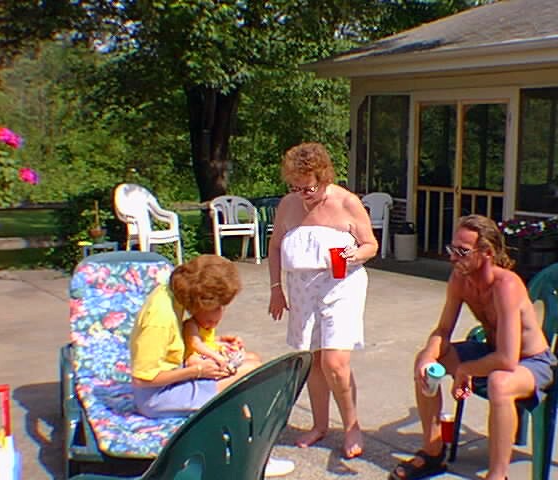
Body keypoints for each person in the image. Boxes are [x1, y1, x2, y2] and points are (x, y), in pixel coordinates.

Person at [389, 214, 556, 480]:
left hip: (532, 362)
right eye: (451, 249)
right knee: (428, 362)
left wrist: (466, 369)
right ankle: (432, 452)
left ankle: (497, 474)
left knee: (500, 382)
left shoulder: (506, 285)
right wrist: (427, 357)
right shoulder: (460, 279)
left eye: (462, 251)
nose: (453, 258)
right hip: (490, 352)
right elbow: (443, 330)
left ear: (486, 252)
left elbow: (508, 359)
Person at [130, 254, 294, 477]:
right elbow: (143, 378)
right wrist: (198, 371)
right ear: (201, 301)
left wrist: (215, 343)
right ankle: (248, 456)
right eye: (218, 306)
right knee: (249, 375)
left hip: (170, 377)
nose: (220, 312)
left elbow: (178, 342)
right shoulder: (159, 319)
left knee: (251, 359)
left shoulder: (171, 295)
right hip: (156, 396)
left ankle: (240, 443)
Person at [268, 142, 378, 459]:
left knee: (335, 363)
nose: (303, 194)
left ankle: (352, 425)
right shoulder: (288, 205)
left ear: (324, 175)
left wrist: (354, 254)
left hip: (342, 284)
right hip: (301, 287)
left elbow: (371, 245)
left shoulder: (347, 203)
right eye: (295, 187)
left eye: (309, 187)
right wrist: (277, 288)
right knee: (315, 361)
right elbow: (275, 246)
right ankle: (319, 425)